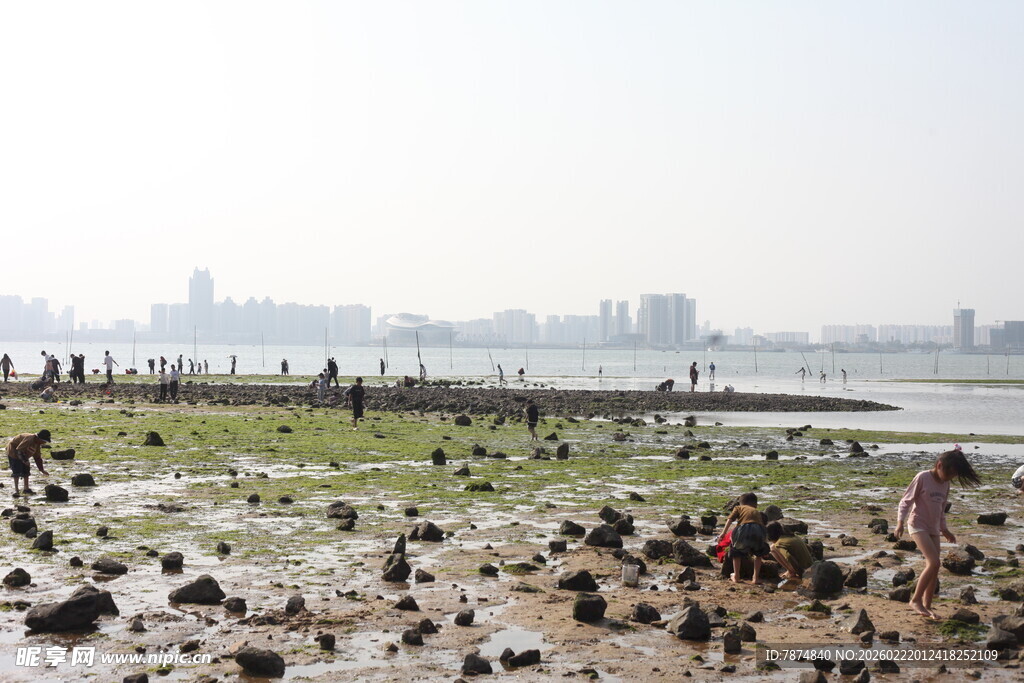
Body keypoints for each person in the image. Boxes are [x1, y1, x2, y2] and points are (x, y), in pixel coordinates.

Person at [895, 447, 981, 619]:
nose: (950, 479)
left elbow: (941, 510)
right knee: (933, 562)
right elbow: (905, 502)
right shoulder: (923, 477)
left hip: (933, 528)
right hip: (917, 525)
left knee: (935, 567)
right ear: (940, 465)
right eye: (950, 474)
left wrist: (945, 530)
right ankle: (915, 600)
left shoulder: (946, 484)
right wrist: (900, 523)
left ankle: (927, 606)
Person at [718, 492, 770, 584]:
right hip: (759, 529)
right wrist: (765, 544)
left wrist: (723, 533)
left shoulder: (738, 508)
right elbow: (763, 528)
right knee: (758, 554)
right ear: (755, 504)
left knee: (736, 552)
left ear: (740, 503)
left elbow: (730, 519)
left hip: (743, 528)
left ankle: (737, 576)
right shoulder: (756, 511)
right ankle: (755, 578)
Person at [6, 430, 50, 497]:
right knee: (16, 471)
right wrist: (25, 461)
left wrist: (41, 469)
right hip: (14, 451)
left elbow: (37, 457)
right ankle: (16, 490)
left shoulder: (37, 444)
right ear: (39, 439)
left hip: (23, 453)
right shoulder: (29, 439)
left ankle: (26, 489)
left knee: (26, 469)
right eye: (44, 441)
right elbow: (19, 450)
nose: (44, 443)